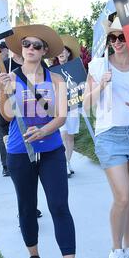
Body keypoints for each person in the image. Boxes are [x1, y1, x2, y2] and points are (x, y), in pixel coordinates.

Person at [0, 24, 89, 258]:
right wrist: (5, 92)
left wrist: (44, 131)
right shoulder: (10, 78)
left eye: (37, 46)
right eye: (27, 45)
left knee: (59, 206)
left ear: (45, 51)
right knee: (26, 207)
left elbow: (60, 115)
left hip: (51, 151)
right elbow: (7, 116)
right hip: (19, 151)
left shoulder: (56, 80)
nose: (31, 49)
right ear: (21, 49)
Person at [83, 16, 129, 258]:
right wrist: (101, 85)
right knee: (122, 196)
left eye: (122, 37)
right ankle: (115, 252)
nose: (117, 42)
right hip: (110, 136)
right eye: (113, 38)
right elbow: (86, 106)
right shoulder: (98, 66)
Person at [0, 41, 24, 176]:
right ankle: (7, 165)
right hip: (4, 110)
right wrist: (6, 89)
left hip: (27, 112)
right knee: (5, 138)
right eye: (23, 44)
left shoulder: (38, 65)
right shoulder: (2, 66)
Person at [55, 34, 81, 177]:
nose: (62, 52)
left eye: (64, 50)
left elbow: (82, 86)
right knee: (63, 134)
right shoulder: (52, 70)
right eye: (59, 50)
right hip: (59, 107)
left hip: (73, 105)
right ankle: (63, 164)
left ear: (68, 52)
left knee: (70, 136)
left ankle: (68, 162)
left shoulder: (76, 68)